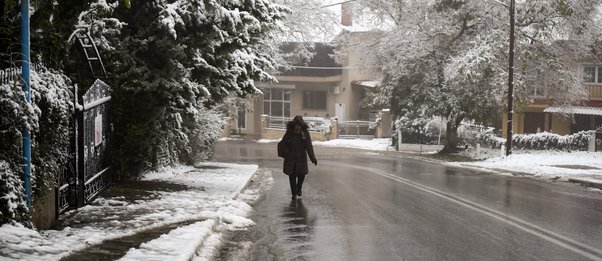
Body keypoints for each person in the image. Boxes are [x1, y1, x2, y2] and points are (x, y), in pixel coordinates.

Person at [281, 116, 317, 200]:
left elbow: (309, 146)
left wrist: (313, 158)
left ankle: (299, 187)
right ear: (293, 125)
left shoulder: (305, 133)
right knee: (292, 176)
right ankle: (294, 193)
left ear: (302, 125)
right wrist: (287, 153)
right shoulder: (289, 133)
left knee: (302, 175)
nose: (297, 127)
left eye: (299, 125)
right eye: (296, 125)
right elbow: (283, 144)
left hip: (301, 158)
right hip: (291, 158)